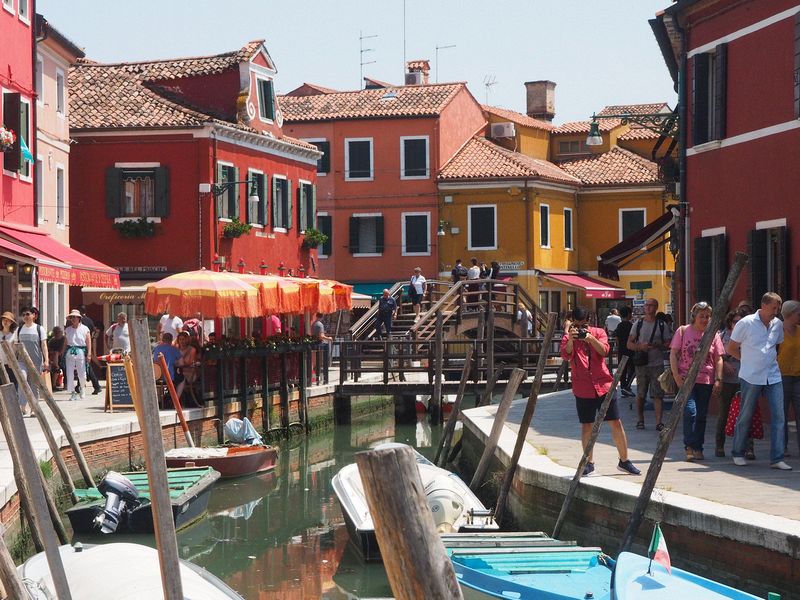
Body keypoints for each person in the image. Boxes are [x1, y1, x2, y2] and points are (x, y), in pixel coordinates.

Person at [560, 306, 641, 476]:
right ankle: (589, 462)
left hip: (603, 385)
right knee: (587, 425)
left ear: (589, 322)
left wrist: (589, 338)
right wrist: (571, 339)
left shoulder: (598, 332)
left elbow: (604, 351)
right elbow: (566, 355)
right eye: (577, 325)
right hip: (582, 387)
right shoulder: (569, 336)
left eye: (583, 325)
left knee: (616, 422)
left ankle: (624, 461)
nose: (580, 329)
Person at [726, 292, 790, 470]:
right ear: (763, 305)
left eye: (778, 309)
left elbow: (776, 346)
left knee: (779, 416)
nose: (776, 312)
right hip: (751, 376)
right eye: (774, 308)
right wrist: (745, 360)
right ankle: (738, 452)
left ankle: (777, 458)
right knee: (745, 414)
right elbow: (730, 348)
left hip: (773, 375)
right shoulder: (745, 323)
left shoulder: (777, 324)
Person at [669, 302, 724, 461]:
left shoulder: (713, 334)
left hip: (706, 380)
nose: (705, 319)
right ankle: (689, 446)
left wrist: (719, 379)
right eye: (702, 316)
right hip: (686, 379)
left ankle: (698, 447)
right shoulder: (683, 331)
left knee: (701, 415)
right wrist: (676, 375)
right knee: (690, 412)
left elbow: (718, 358)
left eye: (708, 316)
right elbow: (673, 354)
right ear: (694, 316)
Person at [716, 307, 754, 458]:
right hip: (727, 381)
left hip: (744, 379)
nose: (737, 324)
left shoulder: (748, 336)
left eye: (740, 321)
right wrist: (724, 364)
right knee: (724, 414)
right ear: (730, 323)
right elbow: (716, 357)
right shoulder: (722, 336)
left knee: (747, 413)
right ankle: (719, 446)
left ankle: (749, 448)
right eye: (735, 321)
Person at [627, 298, 671, 430]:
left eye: (651, 305)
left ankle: (659, 422)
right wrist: (640, 347)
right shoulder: (638, 324)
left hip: (657, 363)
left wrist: (658, 345)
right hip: (642, 364)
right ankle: (640, 419)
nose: (648, 308)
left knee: (658, 394)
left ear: (656, 307)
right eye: (647, 305)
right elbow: (629, 344)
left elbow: (668, 343)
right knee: (641, 394)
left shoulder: (662, 325)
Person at [15, 307, 48, 415]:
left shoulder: (39, 329)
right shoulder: (19, 329)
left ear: (34, 315)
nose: (25, 316)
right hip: (21, 361)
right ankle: (22, 406)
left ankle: (34, 408)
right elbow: (15, 346)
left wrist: (46, 361)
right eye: (23, 314)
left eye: (28, 314)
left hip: (36, 361)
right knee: (22, 381)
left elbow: (43, 345)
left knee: (34, 385)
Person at [778, 300, 800, 458]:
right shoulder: (778, 332)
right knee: (782, 414)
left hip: (798, 377)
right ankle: (782, 446)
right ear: (790, 314)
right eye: (798, 313)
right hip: (782, 377)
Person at [65, 309, 92, 401]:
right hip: (70, 351)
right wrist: (63, 352)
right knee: (69, 372)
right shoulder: (67, 330)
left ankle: (82, 388)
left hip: (80, 351)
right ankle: (72, 392)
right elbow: (66, 342)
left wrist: (89, 353)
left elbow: (88, 342)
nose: (73, 319)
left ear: (79, 318)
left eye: (75, 317)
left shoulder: (85, 329)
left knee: (82, 373)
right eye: (72, 317)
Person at [78, 305, 102, 395]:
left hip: (82, 346)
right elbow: (92, 333)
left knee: (86, 367)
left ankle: (96, 386)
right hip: (88, 344)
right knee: (83, 366)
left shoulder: (81, 321)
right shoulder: (90, 321)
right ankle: (79, 386)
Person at [174, 331, 200, 406]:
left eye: (183, 339)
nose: (182, 341)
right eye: (180, 339)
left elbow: (189, 362)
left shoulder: (192, 350)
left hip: (190, 372)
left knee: (181, 378)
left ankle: (176, 401)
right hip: (178, 371)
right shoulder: (176, 349)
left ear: (187, 340)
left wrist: (179, 361)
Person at [615, 306, 635, 397]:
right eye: (630, 313)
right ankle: (627, 386)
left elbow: (616, 338)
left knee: (622, 370)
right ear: (628, 314)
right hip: (630, 350)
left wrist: (618, 348)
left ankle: (623, 387)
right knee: (633, 369)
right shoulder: (631, 326)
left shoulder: (619, 325)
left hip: (621, 350)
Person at [312, 312, 333, 382]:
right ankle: (321, 378)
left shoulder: (313, 324)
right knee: (320, 363)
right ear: (322, 317)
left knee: (315, 364)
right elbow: (321, 336)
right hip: (319, 345)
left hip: (314, 345)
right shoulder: (320, 325)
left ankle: (315, 377)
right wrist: (329, 338)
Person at [47, 326, 66, 390]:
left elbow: (62, 350)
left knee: (63, 367)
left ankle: (65, 384)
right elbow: (48, 350)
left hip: (63, 357)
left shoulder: (64, 339)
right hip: (54, 359)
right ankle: (53, 385)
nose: (57, 333)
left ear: (61, 332)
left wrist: (57, 353)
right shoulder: (52, 340)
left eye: (58, 332)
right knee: (55, 367)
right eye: (55, 332)